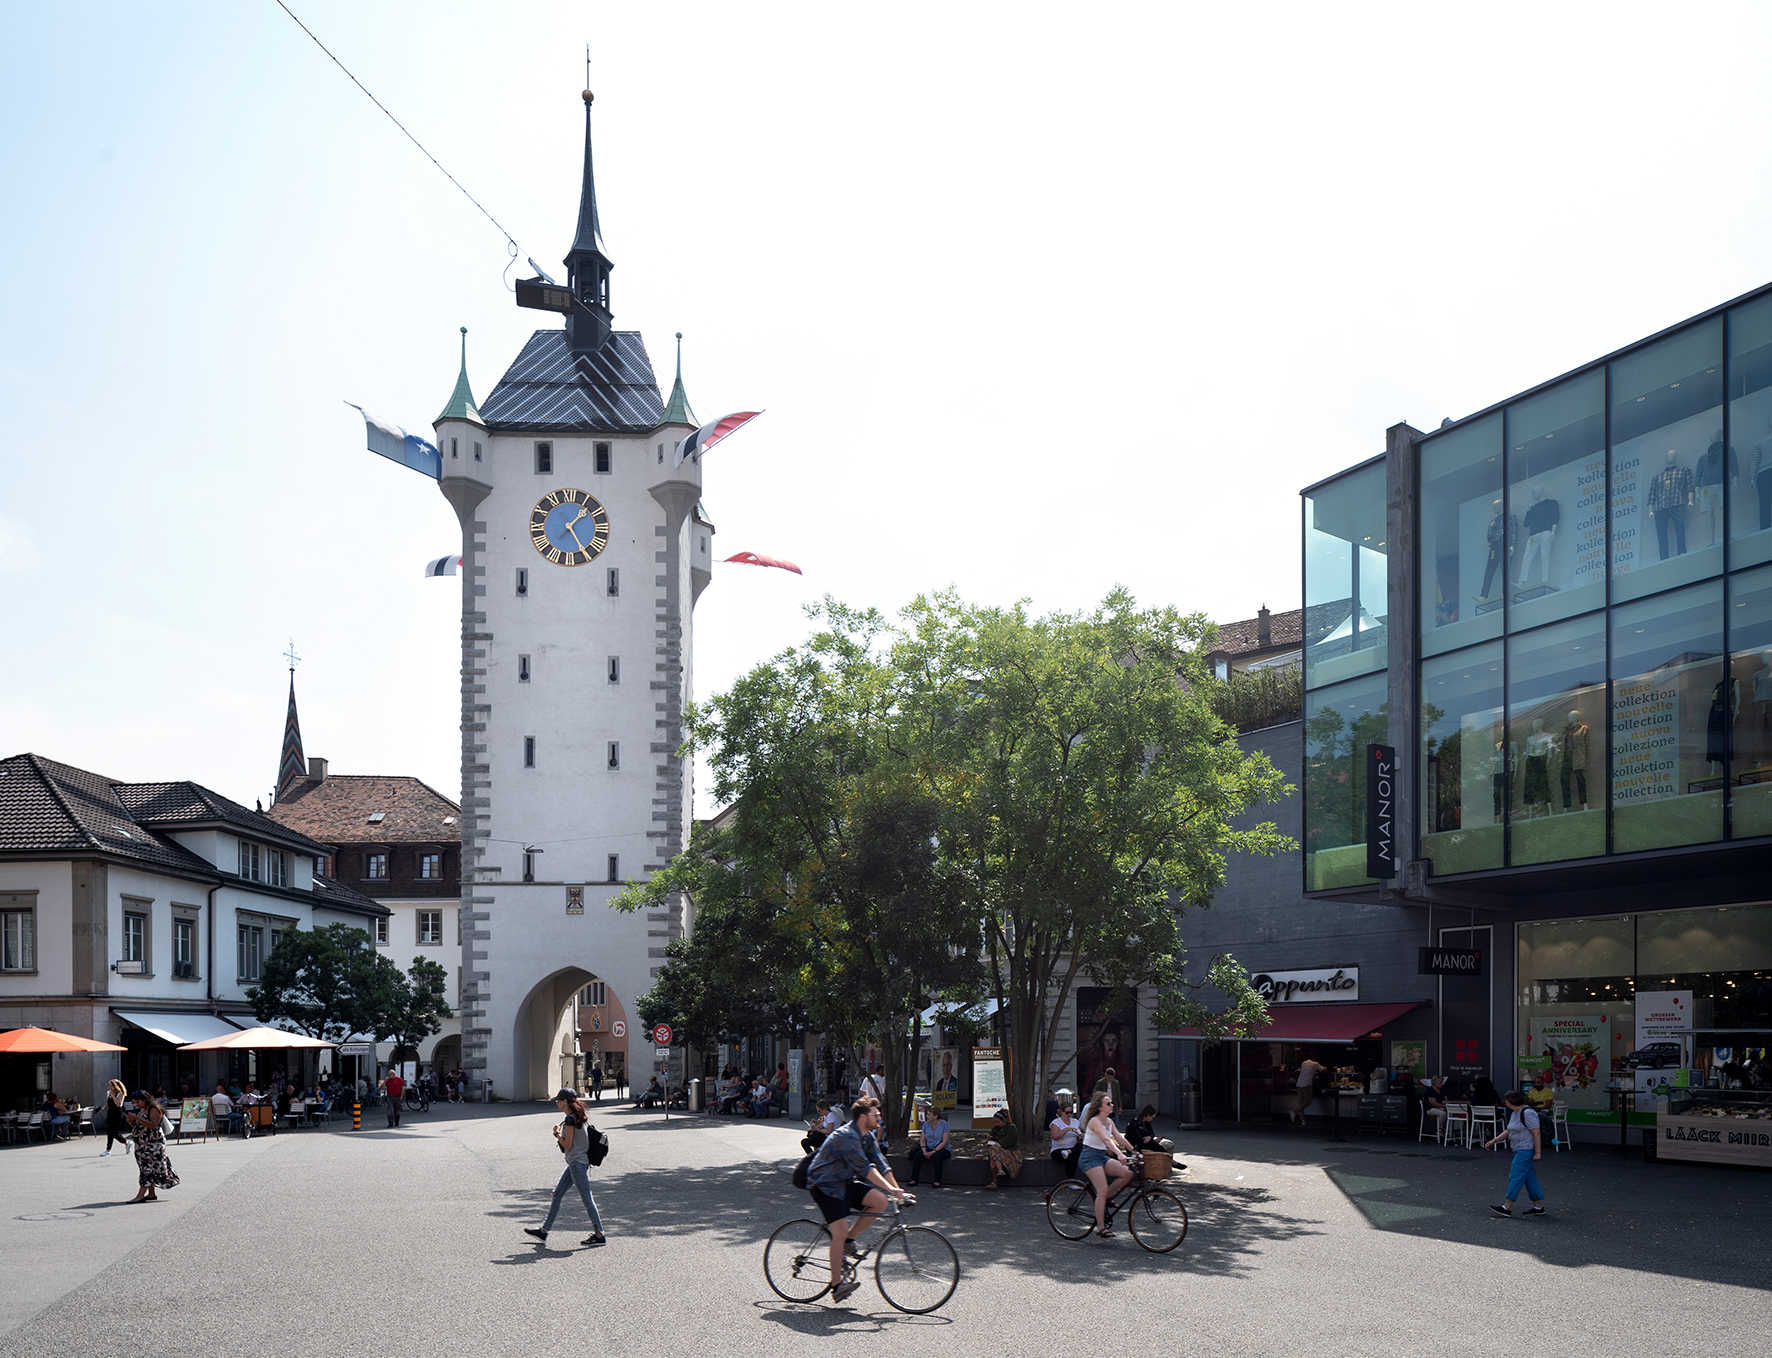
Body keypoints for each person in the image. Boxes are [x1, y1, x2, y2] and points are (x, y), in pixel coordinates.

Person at [804, 1098, 907, 1303]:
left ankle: (849, 1241)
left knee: (879, 1201)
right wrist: (891, 1189)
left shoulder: (867, 1136)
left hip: (844, 1182)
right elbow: (866, 1169)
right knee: (839, 1232)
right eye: (875, 1114)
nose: (879, 1117)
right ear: (863, 1117)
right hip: (825, 1186)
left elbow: (881, 1164)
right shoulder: (847, 1136)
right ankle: (837, 1286)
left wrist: (897, 1191)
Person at [524, 1088, 607, 1247]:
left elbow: (567, 1145)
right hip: (576, 1163)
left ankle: (600, 1234)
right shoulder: (576, 1116)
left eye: (558, 1100)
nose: (556, 1102)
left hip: (577, 1164)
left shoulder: (570, 1119)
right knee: (557, 1194)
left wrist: (556, 1134)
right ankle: (543, 1232)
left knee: (587, 1199)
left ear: (565, 1102)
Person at [1077, 1090, 1135, 1237]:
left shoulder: (1109, 1121)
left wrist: (1135, 1152)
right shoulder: (1094, 1121)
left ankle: (1106, 1198)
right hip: (1089, 1158)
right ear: (1100, 1107)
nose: (1112, 1105)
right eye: (1108, 1103)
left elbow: (1120, 1139)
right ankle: (1101, 1227)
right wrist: (1119, 1154)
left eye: (1111, 1102)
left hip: (1101, 1156)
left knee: (1126, 1173)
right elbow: (1106, 1140)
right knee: (1101, 1190)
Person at [1483, 1090, 1547, 1218]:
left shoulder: (1528, 1113)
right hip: (1519, 1148)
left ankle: (1507, 1206)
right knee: (1529, 1178)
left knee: (1516, 1175)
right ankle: (1538, 1206)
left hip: (1526, 1149)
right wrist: (1494, 1141)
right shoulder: (1515, 1113)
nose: (1505, 1101)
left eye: (1506, 1099)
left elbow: (1536, 1133)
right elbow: (1509, 1130)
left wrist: (1538, 1153)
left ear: (1512, 1101)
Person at [123, 1090, 180, 1202]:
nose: (137, 1105)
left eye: (138, 1102)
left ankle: (140, 1195)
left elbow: (153, 1125)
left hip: (152, 1144)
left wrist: (136, 1118)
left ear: (145, 1099)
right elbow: (140, 1125)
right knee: (148, 1167)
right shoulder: (144, 1110)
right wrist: (131, 1121)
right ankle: (151, 1193)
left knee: (146, 1168)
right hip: (143, 1144)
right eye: (135, 1102)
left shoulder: (154, 1109)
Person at [906, 1102, 951, 1188]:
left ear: (935, 1116)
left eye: (929, 1114)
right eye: (927, 1114)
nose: (927, 1116)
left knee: (937, 1157)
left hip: (942, 1149)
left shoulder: (944, 1125)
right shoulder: (926, 1125)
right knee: (917, 1156)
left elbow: (944, 1141)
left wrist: (933, 1152)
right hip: (929, 1147)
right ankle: (914, 1179)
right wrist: (924, 1151)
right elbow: (923, 1139)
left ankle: (938, 1181)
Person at [985, 1108, 1022, 1188]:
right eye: (995, 1122)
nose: (997, 1124)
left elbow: (1006, 1143)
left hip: (1010, 1151)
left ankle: (996, 1180)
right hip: (997, 1151)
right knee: (993, 1153)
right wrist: (990, 1139)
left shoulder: (1011, 1128)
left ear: (1004, 1120)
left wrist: (995, 1140)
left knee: (994, 1151)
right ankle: (999, 1171)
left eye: (998, 1122)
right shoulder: (995, 1129)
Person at [1050, 1099, 1083, 1180]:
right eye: (1067, 1112)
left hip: (1073, 1148)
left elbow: (1078, 1139)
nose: (1069, 1115)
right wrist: (1066, 1129)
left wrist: (1081, 1136)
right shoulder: (1056, 1123)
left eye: (1071, 1112)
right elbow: (1055, 1137)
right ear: (1061, 1111)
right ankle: (1071, 1180)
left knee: (1085, 1146)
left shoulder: (1075, 1121)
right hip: (1058, 1149)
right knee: (1072, 1158)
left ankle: (1069, 1151)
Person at [1291, 1052, 1326, 1125]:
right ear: (1314, 1058)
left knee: (1301, 1102)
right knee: (1307, 1102)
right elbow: (1323, 1070)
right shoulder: (1315, 1064)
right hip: (1307, 1084)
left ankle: (1303, 1120)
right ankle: (1294, 1112)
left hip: (1299, 1084)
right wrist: (1325, 1067)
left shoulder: (1304, 1063)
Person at [99, 1079, 129, 1156]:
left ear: (116, 1086)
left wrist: (113, 1096)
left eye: (112, 1085)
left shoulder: (120, 1094)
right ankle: (110, 1149)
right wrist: (102, 1109)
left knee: (113, 1131)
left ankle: (109, 1149)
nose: (110, 1087)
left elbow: (118, 1104)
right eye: (109, 1085)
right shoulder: (108, 1093)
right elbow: (107, 1104)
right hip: (110, 1113)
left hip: (117, 1114)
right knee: (110, 1132)